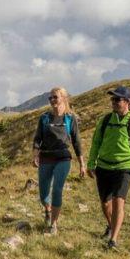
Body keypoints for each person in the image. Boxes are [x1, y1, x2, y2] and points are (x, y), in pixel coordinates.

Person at [87, 85, 130, 249]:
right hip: (103, 167)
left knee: (118, 202)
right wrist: (91, 163)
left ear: (128, 101)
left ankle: (113, 240)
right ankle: (110, 225)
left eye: (117, 99)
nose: (113, 102)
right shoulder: (105, 120)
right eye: (112, 99)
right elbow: (96, 143)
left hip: (124, 167)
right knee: (105, 204)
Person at [32, 87, 86, 235]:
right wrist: (35, 155)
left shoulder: (70, 118)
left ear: (63, 98)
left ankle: (54, 224)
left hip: (63, 158)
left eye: (55, 97)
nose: (52, 100)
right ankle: (48, 210)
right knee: (43, 195)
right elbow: (38, 139)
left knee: (57, 189)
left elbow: (77, 141)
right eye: (50, 98)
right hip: (46, 158)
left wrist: (82, 164)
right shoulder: (44, 118)